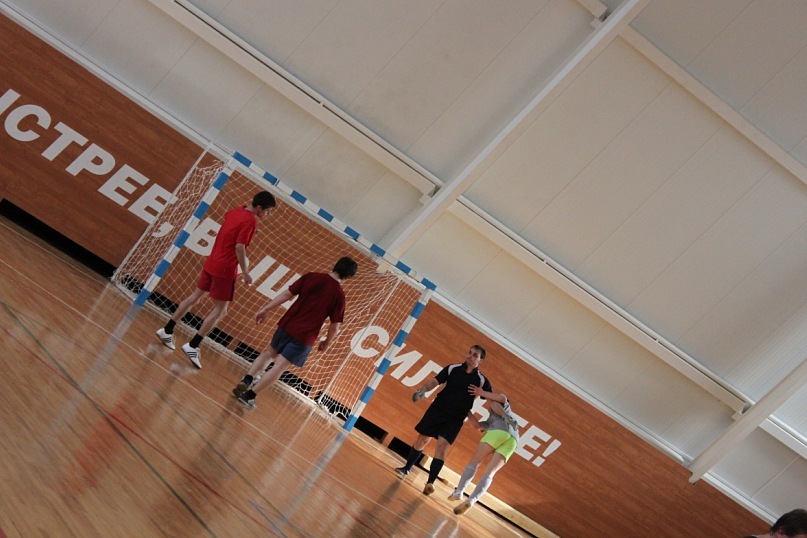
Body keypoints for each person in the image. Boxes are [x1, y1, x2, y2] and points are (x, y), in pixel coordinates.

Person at [155, 190, 277, 368]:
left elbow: (231, 227)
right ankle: (193, 345)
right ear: (259, 208)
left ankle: (167, 330)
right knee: (221, 311)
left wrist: (251, 233)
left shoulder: (238, 210)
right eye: (268, 211)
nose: (268, 215)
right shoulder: (251, 221)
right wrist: (245, 271)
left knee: (195, 296)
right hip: (225, 268)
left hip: (212, 261)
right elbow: (239, 247)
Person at [231, 256, 358, 409]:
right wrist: (327, 342)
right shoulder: (339, 295)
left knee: (269, 353)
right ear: (348, 276)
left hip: (287, 324)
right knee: (280, 367)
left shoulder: (312, 276)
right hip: (305, 336)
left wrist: (265, 308)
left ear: (335, 266)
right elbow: (335, 327)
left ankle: (247, 379)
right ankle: (249, 396)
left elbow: (287, 294)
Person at [395, 345, 492, 496]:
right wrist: (423, 389)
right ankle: (407, 468)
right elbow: (435, 381)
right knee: (422, 441)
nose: (470, 356)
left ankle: (430, 483)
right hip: (437, 410)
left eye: (475, 355)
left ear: (481, 360)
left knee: (441, 448)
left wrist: (489, 416)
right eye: (470, 353)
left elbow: (491, 399)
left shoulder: (481, 380)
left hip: (455, 419)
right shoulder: (452, 368)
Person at [449, 387, 519, 516]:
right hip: (513, 440)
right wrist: (467, 411)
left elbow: (501, 398)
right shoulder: (492, 419)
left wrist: (481, 392)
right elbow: (478, 426)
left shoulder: (502, 404)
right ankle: (472, 500)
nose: (487, 403)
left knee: (475, 462)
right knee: (490, 473)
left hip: (499, 431)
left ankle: (459, 491)